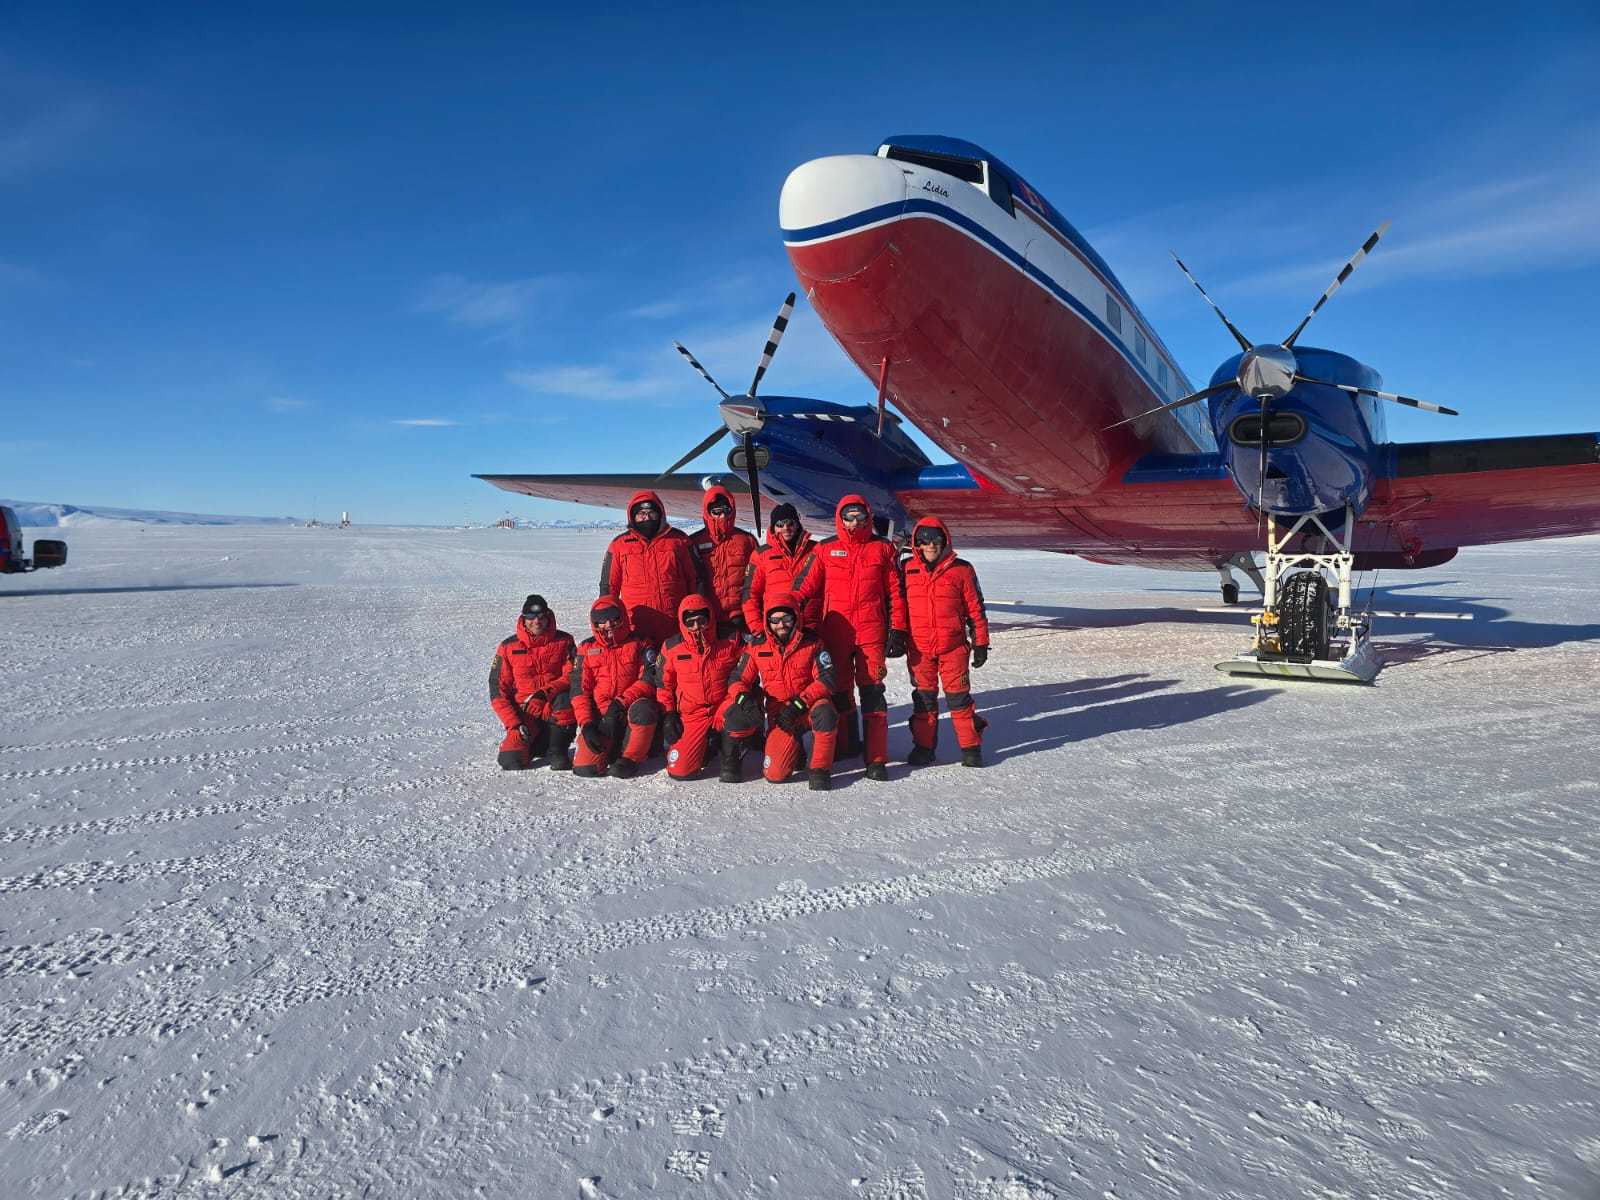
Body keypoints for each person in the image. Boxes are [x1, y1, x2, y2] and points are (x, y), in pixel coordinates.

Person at [791, 494, 908, 781]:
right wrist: (787, 620)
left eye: (860, 517)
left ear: (868, 517)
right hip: (836, 634)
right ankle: (845, 746)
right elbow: (802, 589)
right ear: (840, 519)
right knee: (839, 692)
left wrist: (898, 630)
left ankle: (876, 758)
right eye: (849, 517)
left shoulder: (882, 549)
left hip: (870, 633)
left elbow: (895, 593)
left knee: (872, 694)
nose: (855, 522)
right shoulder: (825, 549)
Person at [720, 594, 838, 790]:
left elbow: (827, 679)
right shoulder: (757, 646)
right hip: (781, 715)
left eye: (786, 619)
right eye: (775, 621)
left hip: (807, 706)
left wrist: (799, 704)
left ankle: (819, 769)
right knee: (775, 774)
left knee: (826, 713)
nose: (781, 625)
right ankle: (794, 748)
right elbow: (736, 679)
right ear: (767, 621)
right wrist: (744, 699)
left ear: (795, 618)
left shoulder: (812, 643)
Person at [901, 517, 991, 768]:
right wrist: (895, 635)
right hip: (919, 650)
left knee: (959, 701)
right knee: (923, 701)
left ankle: (971, 749)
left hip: (953, 648)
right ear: (916, 544)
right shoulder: (906, 569)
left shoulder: (962, 569)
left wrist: (981, 642)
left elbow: (976, 609)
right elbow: (896, 608)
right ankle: (924, 748)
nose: (930, 546)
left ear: (945, 542)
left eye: (936, 541)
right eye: (924, 541)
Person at [655, 592, 748, 782]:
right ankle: (707, 744)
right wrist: (669, 713)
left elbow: (748, 671)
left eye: (701, 620)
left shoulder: (731, 639)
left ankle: (733, 752)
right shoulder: (672, 647)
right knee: (680, 771)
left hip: (724, 705)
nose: (697, 626)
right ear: (683, 623)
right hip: (693, 713)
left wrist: (744, 696)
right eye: (691, 622)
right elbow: (664, 685)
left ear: (710, 618)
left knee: (742, 708)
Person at [569, 595, 660, 779]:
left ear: (623, 617)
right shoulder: (586, 648)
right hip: (602, 718)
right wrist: (586, 724)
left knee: (645, 708)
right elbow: (579, 690)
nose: (608, 625)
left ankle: (631, 759)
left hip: (628, 710)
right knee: (585, 768)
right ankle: (608, 749)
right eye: (601, 621)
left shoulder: (641, 643)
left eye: (613, 618)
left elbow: (649, 680)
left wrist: (620, 703)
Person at [599, 490, 701, 647]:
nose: (646, 517)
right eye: (641, 514)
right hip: (637, 626)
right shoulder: (619, 545)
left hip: (674, 624)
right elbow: (608, 586)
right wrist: (605, 618)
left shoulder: (679, 540)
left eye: (651, 512)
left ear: (660, 514)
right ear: (632, 517)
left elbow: (696, 578)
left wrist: (697, 612)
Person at [488, 594, 578, 771]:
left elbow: (571, 675)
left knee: (568, 697)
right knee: (510, 761)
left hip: (552, 705)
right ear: (523, 618)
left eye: (541, 616)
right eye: (531, 617)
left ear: (548, 616)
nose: (536, 621)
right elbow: (498, 689)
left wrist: (544, 694)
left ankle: (557, 750)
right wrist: (514, 723)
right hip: (525, 712)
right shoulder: (508, 647)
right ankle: (534, 743)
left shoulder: (565, 641)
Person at [740, 502, 822, 635]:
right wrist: (757, 628)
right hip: (778, 627)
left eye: (790, 523)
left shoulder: (816, 550)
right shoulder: (761, 555)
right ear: (773, 527)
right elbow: (749, 593)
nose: (786, 528)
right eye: (780, 525)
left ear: (797, 525)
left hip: (812, 628)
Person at [687, 485, 759, 636]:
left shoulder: (746, 540)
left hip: (741, 616)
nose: (722, 516)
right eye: (716, 512)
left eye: (726, 511)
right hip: (707, 617)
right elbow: (689, 579)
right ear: (708, 513)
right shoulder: (694, 542)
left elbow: (757, 578)